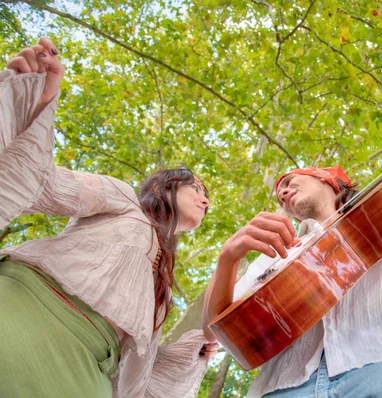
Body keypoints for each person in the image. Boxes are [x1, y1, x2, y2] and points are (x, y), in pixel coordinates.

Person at [204, 83, 382, 397]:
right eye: (280, 195)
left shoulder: (378, 218)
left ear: (330, 180)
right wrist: (227, 259)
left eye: (290, 182)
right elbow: (217, 331)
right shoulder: (274, 253)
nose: (283, 193)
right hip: (283, 388)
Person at [0, 38, 219, 398]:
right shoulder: (122, 198)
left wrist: (191, 353)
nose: (205, 199)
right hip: (32, 314)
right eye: (197, 187)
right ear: (166, 185)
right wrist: (32, 105)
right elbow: (41, 183)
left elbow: (140, 372)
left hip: (92, 377)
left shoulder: (162, 284)